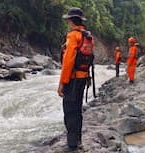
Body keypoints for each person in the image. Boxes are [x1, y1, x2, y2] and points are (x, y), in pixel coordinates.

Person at [57, 7, 91, 152]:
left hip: (73, 79)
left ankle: (72, 145)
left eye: (68, 20)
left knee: (69, 111)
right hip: (83, 78)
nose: (67, 23)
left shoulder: (73, 36)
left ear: (71, 20)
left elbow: (68, 61)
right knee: (77, 110)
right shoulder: (87, 36)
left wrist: (62, 83)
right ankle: (78, 141)